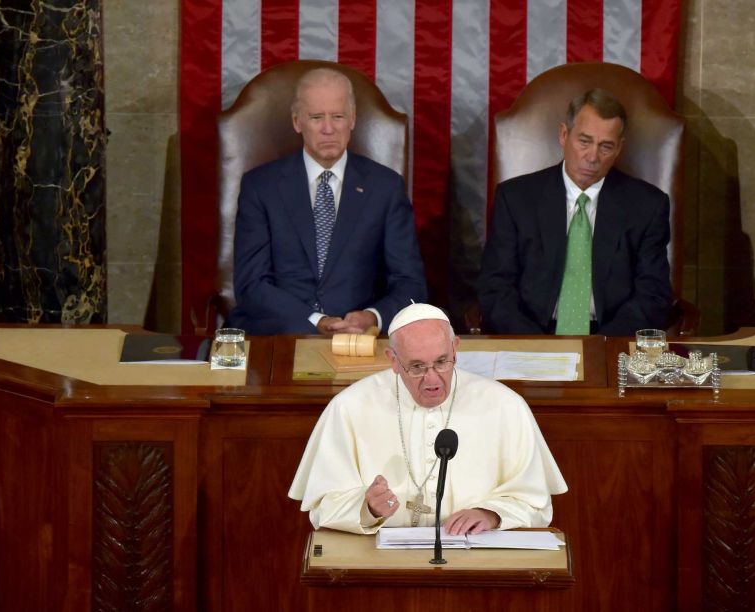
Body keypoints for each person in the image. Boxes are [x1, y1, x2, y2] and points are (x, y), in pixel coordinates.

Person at [289, 303, 567, 535]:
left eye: (442, 362)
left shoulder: (505, 406)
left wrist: (491, 514)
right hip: (381, 564)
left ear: (456, 348)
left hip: (474, 559)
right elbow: (322, 506)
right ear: (394, 361)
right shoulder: (349, 407)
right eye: (417, 367)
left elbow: (536, 503)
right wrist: (367, 508)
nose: (432, 379)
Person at [229, 68, 427, 335]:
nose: (328, 129)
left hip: (359, 340)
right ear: (297, 122)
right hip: (280, 334)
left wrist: (372, 317)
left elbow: (410, 283)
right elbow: (251, 284)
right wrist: (317, 321)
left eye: (338, 116)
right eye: (316, 117)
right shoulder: (261, 187)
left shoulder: (385, 187)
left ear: (353, 119)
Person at [477, 88, 672, 336]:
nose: (592, 157)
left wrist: (602, 345)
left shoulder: (647, 206)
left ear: (619, 149)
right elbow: (495, 289)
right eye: (584, 141)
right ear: (563, 135)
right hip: (532, 335)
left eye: (606, 146)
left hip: (610, 338)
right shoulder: (516, 199)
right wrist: (538, 346)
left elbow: (653, 294)